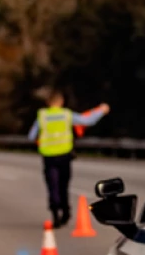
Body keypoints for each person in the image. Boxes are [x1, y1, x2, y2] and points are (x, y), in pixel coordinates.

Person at [28, 91, 110, 227]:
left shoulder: (42, 116)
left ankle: (55, 214)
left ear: (48, 103)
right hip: (64, 155)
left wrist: (41, 141)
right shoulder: (66, 115)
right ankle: (65, 212)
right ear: (61, 102)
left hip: (48, 156)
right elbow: (88, 120)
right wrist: (101, 110)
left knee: (52, 186)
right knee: (63, 185)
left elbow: (31, 136)